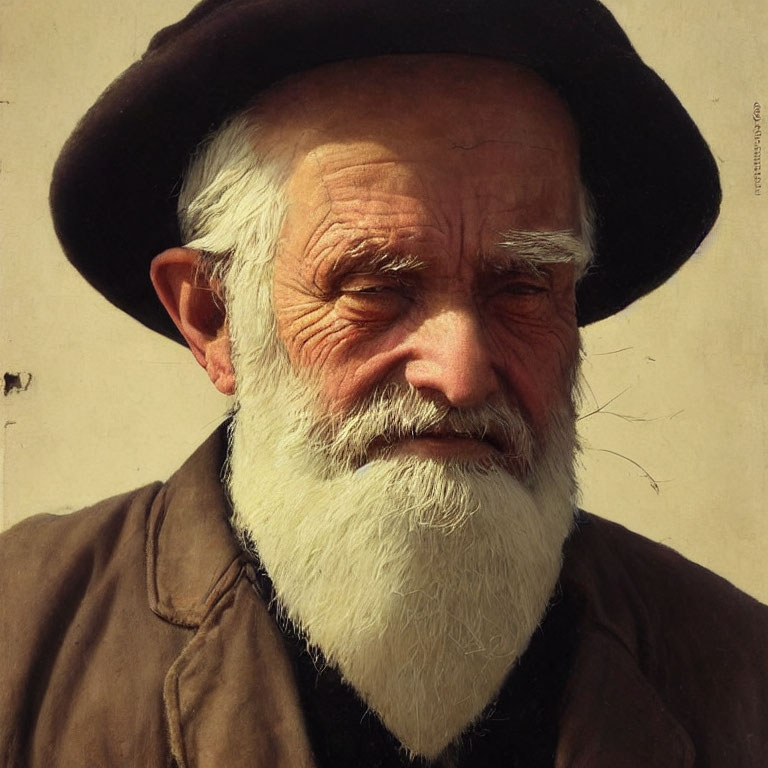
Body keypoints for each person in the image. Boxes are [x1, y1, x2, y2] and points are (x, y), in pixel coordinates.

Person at [1, 0, 767, 766]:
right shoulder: (21, 642)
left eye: (524, 287)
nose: (461, 375)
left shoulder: (741, 679)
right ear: (213, 317)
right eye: (374, 288)